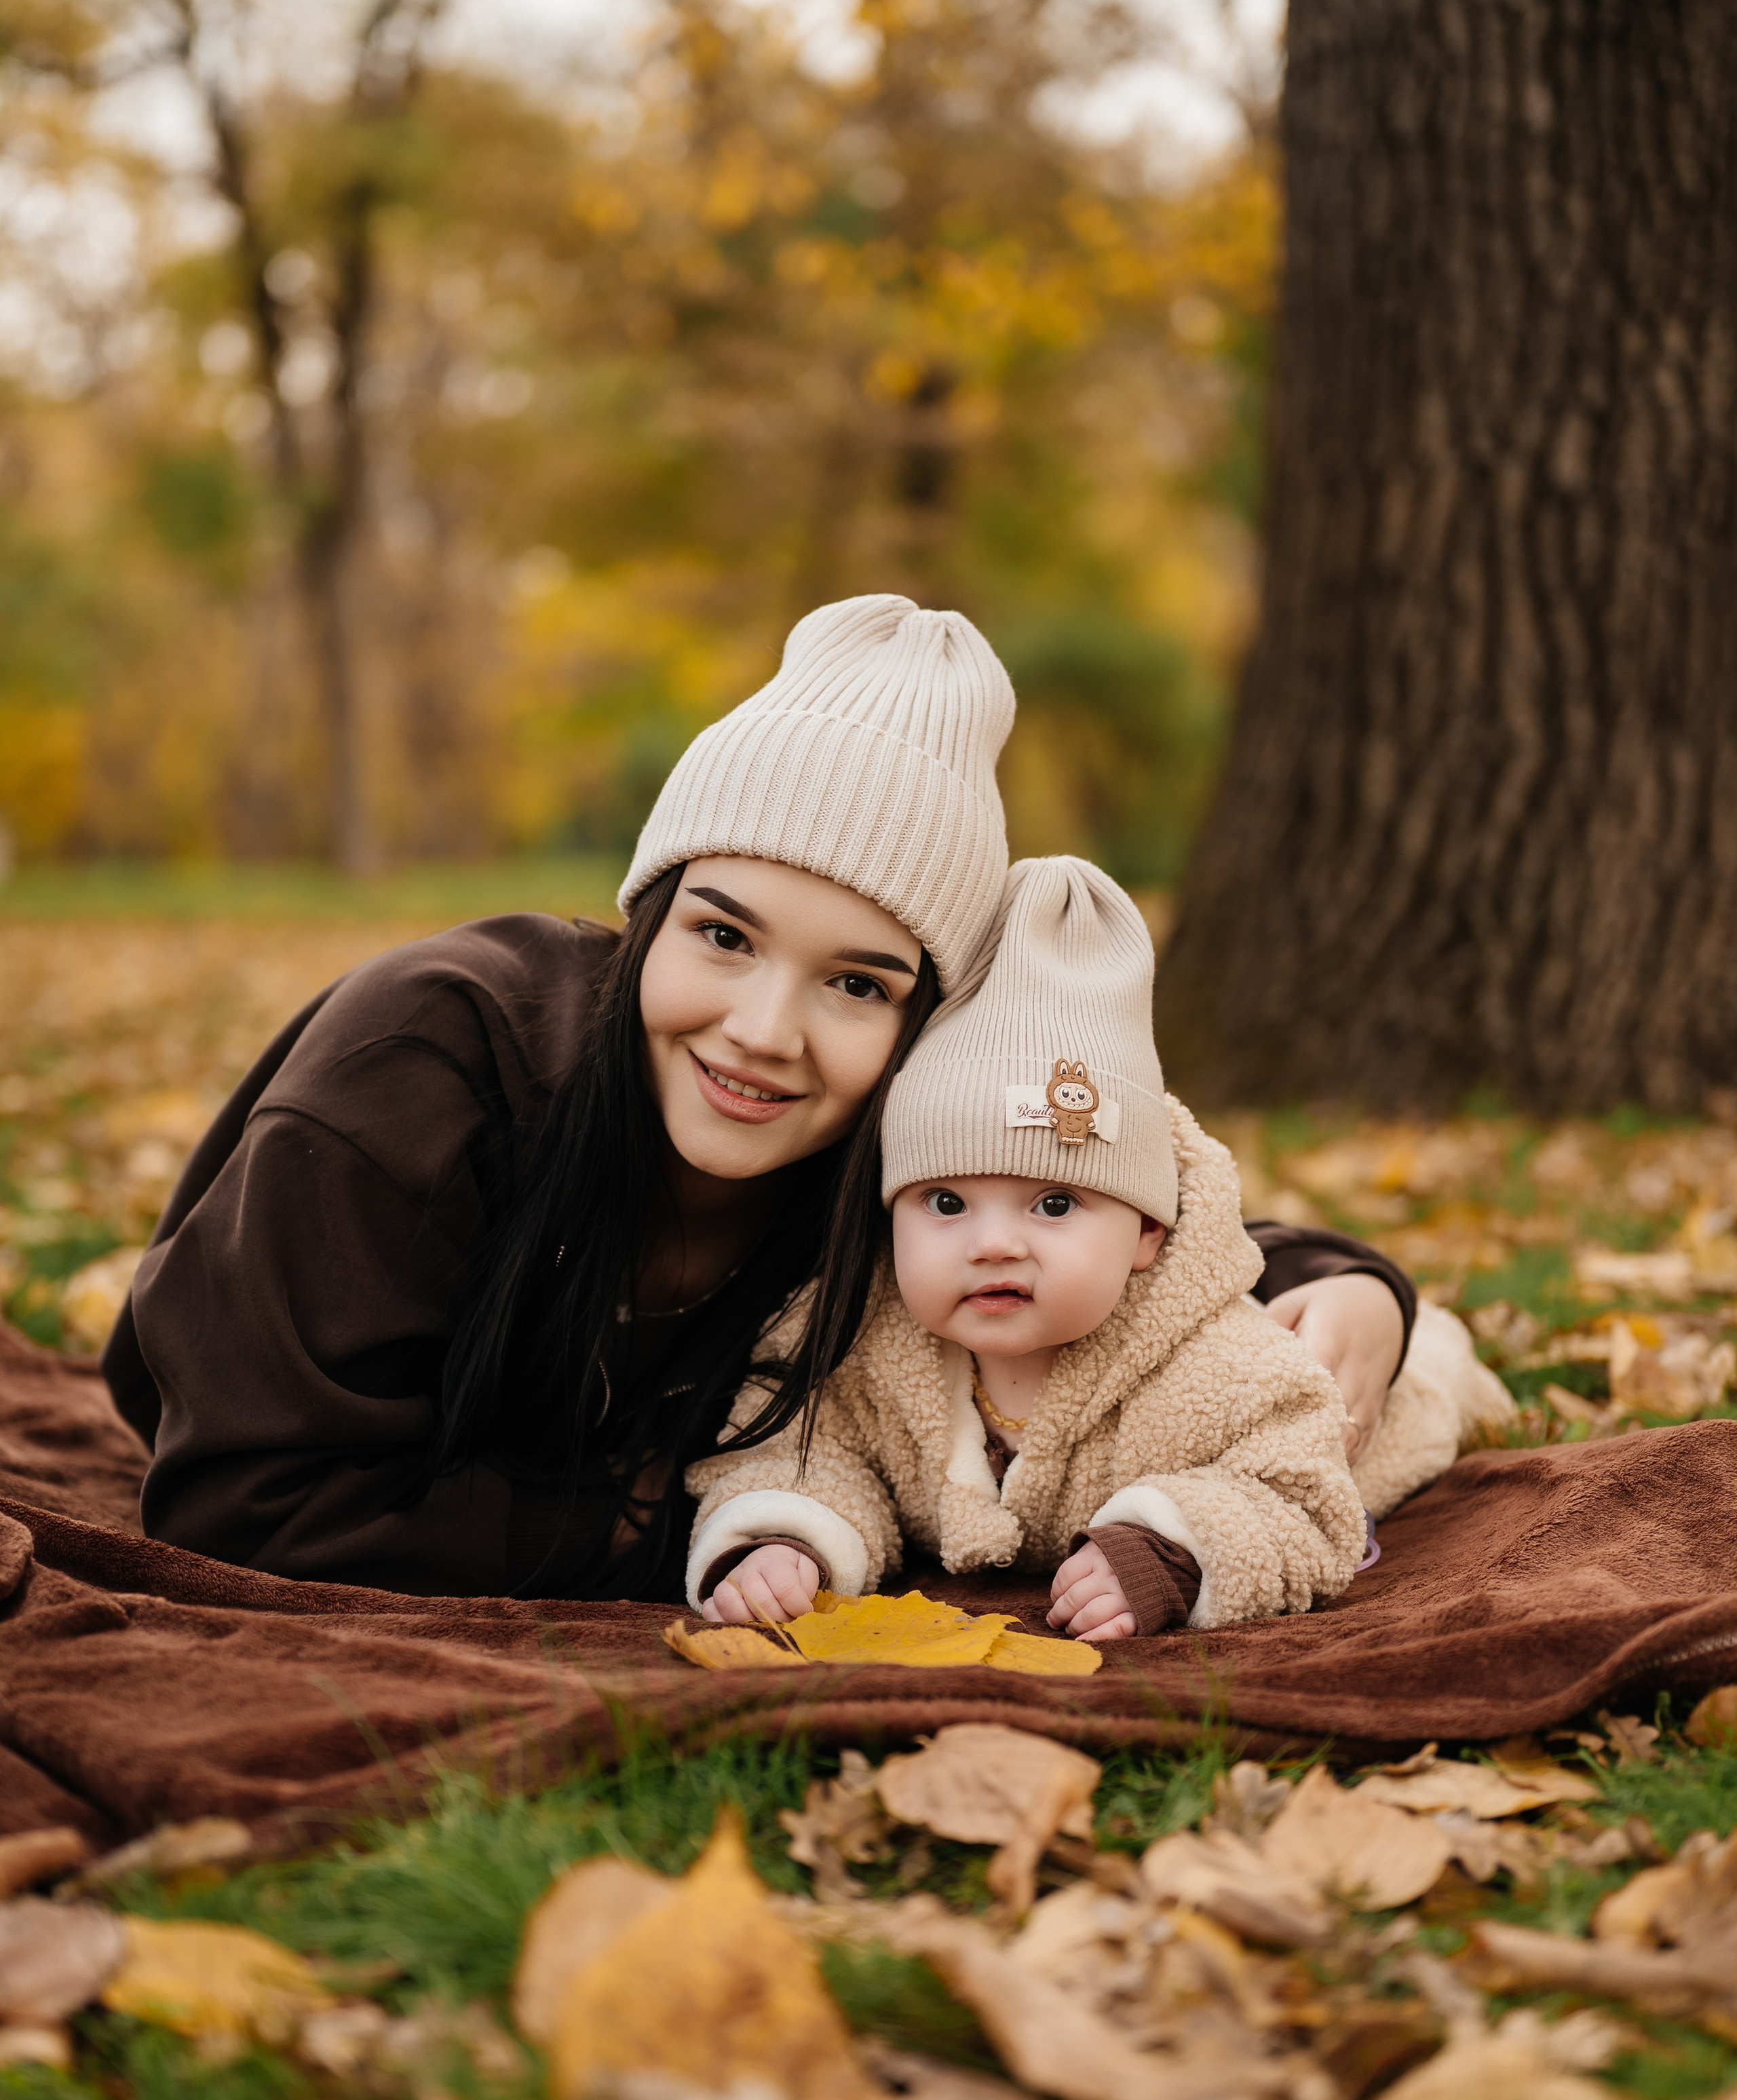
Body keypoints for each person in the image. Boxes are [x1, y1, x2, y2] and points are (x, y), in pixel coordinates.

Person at [104, 596, 1418, 1605]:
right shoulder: (427, 1061)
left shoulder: (877, 1135)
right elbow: (245, 1500)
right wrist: (707, 1529)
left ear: (917, 1029)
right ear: (650, 914)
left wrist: (1352, 1281)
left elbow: (1090, 1205)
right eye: (724, 936)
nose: (763, 1033)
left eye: (855, 983)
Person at [691, 858, 1490, 1639]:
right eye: (946, 1202)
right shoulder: (861, 1342)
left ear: (1147, 1230)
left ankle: (1437, 1346)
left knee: (1433, 1383)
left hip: (1370, 1406)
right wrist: (786, 1534)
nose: (993, 1243)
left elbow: (1302, 1498)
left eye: (1054, 1203)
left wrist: (1173, 1548)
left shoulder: (1227, 1368)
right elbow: (793, 1444)